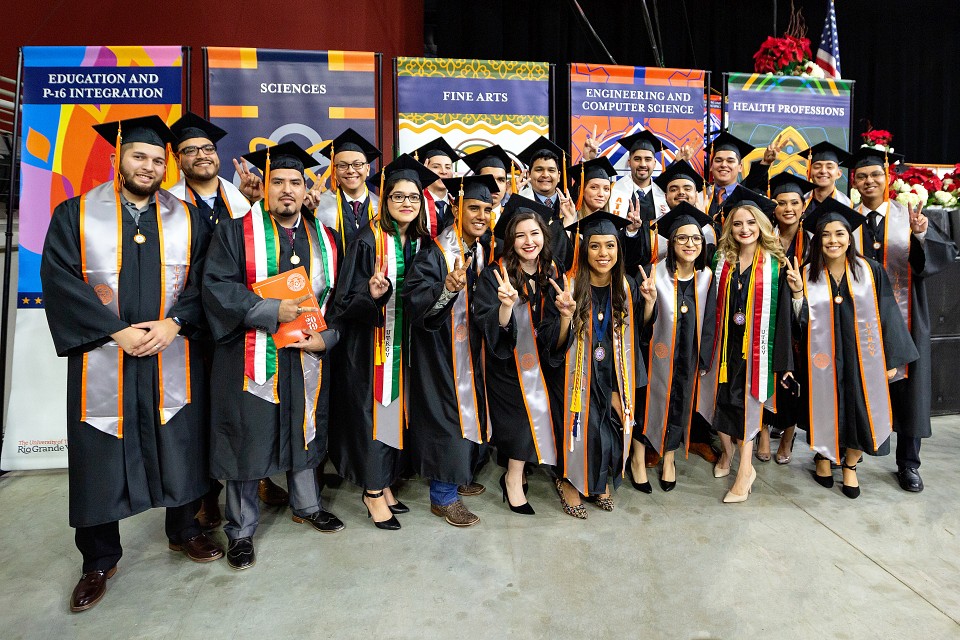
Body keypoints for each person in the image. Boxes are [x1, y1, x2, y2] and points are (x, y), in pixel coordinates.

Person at [40, 116, 222, 612]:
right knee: (100, 450)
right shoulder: (74, 214)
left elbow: (206, 280)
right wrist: (113, 329)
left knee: (179, 437)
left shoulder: (186, 216)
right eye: (139, 156)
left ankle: (184, 528)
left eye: (158, 159)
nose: (149, 166)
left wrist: (175, 324)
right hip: (105, 354)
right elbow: (60, 280)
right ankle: (98, 558)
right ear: (118, 158)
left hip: (171, 351)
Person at [202, 141, 345, 570]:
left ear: (307, 190)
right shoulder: (232, 232)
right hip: (251, 354)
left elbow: (340, 300)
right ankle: (241, 529)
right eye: (277, 181)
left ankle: (307, 504)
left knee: (304, 428)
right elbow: (217, 288)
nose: (286, 190)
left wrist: (329, 338)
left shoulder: (329, 240)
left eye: (295, 182)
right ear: (263, 187)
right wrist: (270, 310)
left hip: (305, 354)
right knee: (247, 437)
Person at [168, 111, 289, 527]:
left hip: (234, 326)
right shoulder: (167, 204)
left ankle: (253, 475)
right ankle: (202, 496)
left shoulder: (240, 201)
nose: (202, 155)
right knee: (192, 417)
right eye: (190, 150)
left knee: (240, 411)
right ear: (177, 158)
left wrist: (257, 202)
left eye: (208, 148)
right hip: (184, 326)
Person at [328, 155, 439, 530]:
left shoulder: (420, 243)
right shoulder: (366, 241)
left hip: (406, 345)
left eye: (413, 197)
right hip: (369, 346)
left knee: (395, 412)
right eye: (398, 197)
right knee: (373, 414)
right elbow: (342, 302)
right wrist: (370, 295)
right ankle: (372, 491)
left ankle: (386, 482)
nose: (406, 203)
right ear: (385, 201)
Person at [844, 147, 959, 492]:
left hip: (906, 318)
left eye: (875, 175)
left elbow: (937, 260)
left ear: (886, 177)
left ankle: (908, 464)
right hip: (858, 319)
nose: (869, 181)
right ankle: (853, 455)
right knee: (858, 384)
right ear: (854, 181)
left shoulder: (908, 216)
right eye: (861, 176)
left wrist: (921, 234)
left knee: (909, 389)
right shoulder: (844, 220)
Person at [792, 199, 918, 497]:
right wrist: (798, 294)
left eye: (840, 234)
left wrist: (890, 359)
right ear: (817, 239)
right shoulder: (807, 274)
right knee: (823, 406)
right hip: (822, 359)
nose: (833, 240)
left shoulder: (869, 270)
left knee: (859, 411)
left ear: (850, 237)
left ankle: (849, 465)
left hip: (864, 358)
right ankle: (823, 456)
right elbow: (797, 323)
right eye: (826, 235)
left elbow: (888, 312)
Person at [403, 174, 500, 526]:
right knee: (449, 418)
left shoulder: (483, 247)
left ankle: (459, 475)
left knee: (470, 412)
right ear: (457, 209)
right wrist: (446, 286)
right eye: (473, 208)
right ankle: (442, 496)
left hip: (472, 351)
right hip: (442, 353)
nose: (480, 215)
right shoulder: (436, 253)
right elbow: (414, 303)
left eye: (486, 209)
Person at [472, 197, 575, 514]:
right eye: (520, 235)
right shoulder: (495, 274)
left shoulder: (554, 269)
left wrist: (568, 316)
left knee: (549, 405)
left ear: (545, 234)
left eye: (534, 233)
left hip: (545, 359)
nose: (528, 242)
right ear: (510, 240)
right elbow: (488, 326)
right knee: (518, 419)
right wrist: (505, 306)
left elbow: (557, 327)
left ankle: (535, 471)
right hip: (506, 363)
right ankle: (513, 478)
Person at [697, 186, 794, 503]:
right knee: (719, 405)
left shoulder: (775, 266)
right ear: (730, 227)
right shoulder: (720, 261)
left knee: (747, 408)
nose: (745, 229)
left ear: (762, 226)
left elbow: (782, 318)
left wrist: (782, 364)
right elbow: (708, 305)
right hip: (723, 348)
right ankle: (727, 454)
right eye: (738, 223)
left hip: (756, 351)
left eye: (751, 223)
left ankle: (745, 471)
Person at [556, 211, 651, 518]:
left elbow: (641, 333)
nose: (603, 253)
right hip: (576, 373)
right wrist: (566, 317)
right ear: (585, 250)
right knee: (579, 422)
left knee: (608, 424)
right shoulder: (569, 285)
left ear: (618, 249)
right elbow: (552, 338)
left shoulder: (626, 286)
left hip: (613, 370)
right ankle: (569, 481)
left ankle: (598, 481)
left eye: (610, 246)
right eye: (595, 246)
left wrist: (648, 304)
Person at [629, 203, 717, 492]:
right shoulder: (655, 275)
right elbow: (641, 325)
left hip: (687, 358)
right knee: (646, 405)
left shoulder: (706, 277)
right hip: (654, 357)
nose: (689, 244)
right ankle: (638, 459)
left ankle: (669, 459)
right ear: (672, 242)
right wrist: (650, 302)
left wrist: (704, 360)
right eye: (682, 238)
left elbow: (710, 323)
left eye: (695, 239)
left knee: (679, 406)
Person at [754, 172, 818, 464]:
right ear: (773, 207)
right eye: (781, 203)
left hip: (801, 320)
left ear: (804, 206)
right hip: (767, 317)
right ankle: (764, 430)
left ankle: (789, 435)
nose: (788, 208)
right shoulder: (764, 238)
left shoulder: (814, 242)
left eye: (794, 202)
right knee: (765, 373)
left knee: (796, 379)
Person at [516, 136, 577, 269]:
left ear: (559, 176)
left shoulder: (570, 208)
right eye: (539, 170)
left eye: (551, 170)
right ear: (529, 175)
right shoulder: (520, 206)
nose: (545, 175)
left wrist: (568, 221)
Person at [314, 128, 381, 247]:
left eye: (357, 164)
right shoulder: (319, 206)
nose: (350, 170)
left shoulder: (381, 206)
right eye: (342, 165)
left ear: (368, 169)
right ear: (334, 172)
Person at [413, 136, 461, 235]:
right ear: (425, 169)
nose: (443, 172)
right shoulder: (415, 204)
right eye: (436, 166)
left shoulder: (458, 205)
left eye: (448, 167)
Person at [461, 144, 516, 226]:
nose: (495, 185)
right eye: (489, 179)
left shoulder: (514, 219)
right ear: (477, 181)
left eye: (501, 180)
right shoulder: (463, 220)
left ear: (506, 185)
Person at [795, 141, 852, 210]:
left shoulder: (847, 206)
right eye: (817, 167)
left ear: (839, 173)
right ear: (808, 173)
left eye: (829, 167)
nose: (823, 171)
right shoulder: (799, 204)